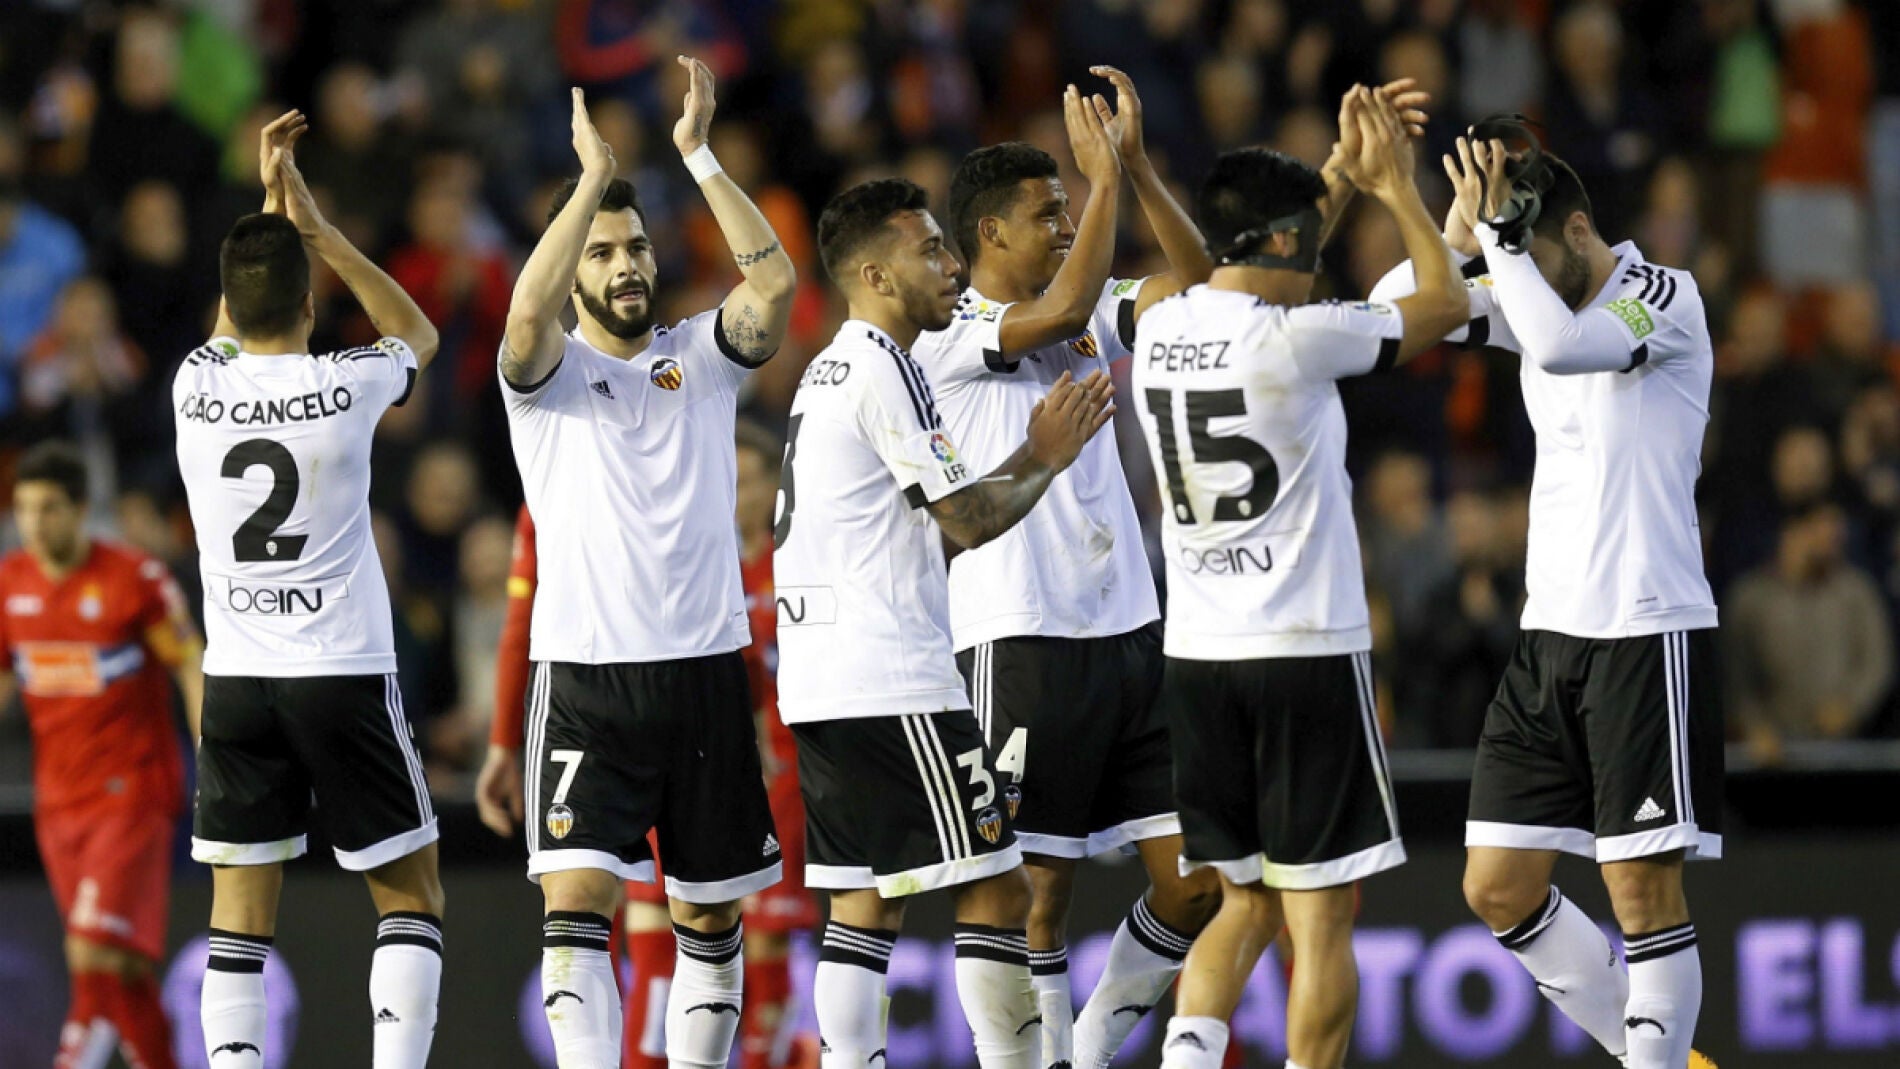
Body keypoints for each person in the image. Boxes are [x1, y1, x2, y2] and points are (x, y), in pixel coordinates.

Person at [1371, 124, 1724, 1069]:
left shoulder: (1665, 296)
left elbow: (1566, 347)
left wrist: (1500, 244)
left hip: (1647, 629)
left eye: (1526, 238)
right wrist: (1454, 232)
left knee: (1640, 893)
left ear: (1575, 227)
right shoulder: (1532, 284)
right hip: (1550, 636)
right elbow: (1385, 313)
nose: (1515, 255)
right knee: (1497, 884)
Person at [1132, 89, 1470, 1069]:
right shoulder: (1299, 338)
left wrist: (1332, 174)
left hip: (1197, 660)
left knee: (1242, 902)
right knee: (1321, 921)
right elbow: (1443, 302)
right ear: (1283, 239)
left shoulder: (1160, 328)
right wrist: (1395, 192)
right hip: (1305, 654)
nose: (1319, 256)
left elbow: (1252, 258)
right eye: (1309, 240)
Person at [486, 59, 797, 1069]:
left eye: (636, 247)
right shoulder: (545, 380)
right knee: (576, 903)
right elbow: (525, 322)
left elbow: (776, 284)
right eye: (605, 251)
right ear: (576, 264)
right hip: (584, 676)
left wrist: (697, 153)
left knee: (708, 920)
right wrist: (589, 185)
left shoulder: (701, 357)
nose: (626, 264)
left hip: (707, 668)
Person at [907, 67, 1220, 1069]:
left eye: (1065, 208)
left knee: (1197, 881)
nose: (1062, 223)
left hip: (1128, 629)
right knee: (1033, 891)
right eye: (1046, 211)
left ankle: (1079, 1053)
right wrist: (1106, 188)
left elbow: (1199, 280)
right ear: (987, 236)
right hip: (1020, 635)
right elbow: (1066, 300)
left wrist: (1134, 173)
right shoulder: (952, 332)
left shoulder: (1085, 307)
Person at [174, 111, 446, 1067]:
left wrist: (267, 212)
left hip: (238, 681)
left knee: (239, 915)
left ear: (229, 299)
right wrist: (319, 231)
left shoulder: (193, 386)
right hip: (342, 671)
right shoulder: (349, 384)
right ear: (312, 302)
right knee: (411, 894)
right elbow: (417, 330)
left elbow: (233, 318)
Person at [479, 423, 821, 1069]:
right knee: (629, 924)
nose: (742, 491)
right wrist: (504, 739)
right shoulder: (578, 471)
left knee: (728, 931)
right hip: (624, 723)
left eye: (753, 479)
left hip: (748, 760)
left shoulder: (772, 549)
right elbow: (520, 619)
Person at [1, 441, 203, 1069]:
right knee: (126, 965)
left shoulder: (135, 579)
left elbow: (188, 661)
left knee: (90, 953)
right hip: (59, 800)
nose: (35, 523)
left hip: (132, 790)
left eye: (50, 509)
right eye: (25, 509)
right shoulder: (9, 585)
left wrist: (209, 746)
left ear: (82, 509)